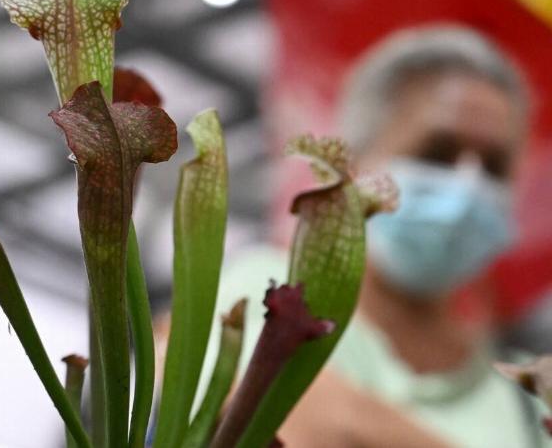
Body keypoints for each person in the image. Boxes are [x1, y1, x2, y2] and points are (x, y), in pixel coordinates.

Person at [210, 25, 548, 447]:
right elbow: (291, 421)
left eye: (494, 167)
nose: (467, 188)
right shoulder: (276, 286)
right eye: (436, 154)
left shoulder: (525, 398)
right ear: (353, 168)